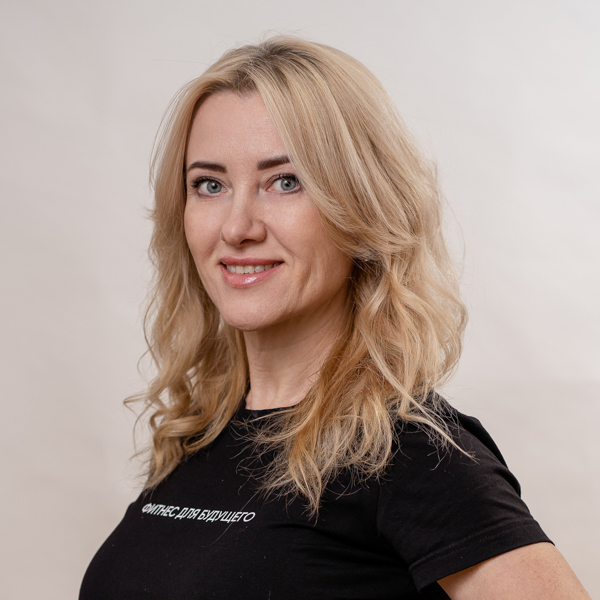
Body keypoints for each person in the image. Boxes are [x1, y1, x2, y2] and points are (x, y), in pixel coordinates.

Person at [79, 37, 591, 599]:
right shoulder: (199, 436)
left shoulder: (408, 453)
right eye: (210, 184)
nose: (237, 227)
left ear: (362, 205)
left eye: (285, 181)